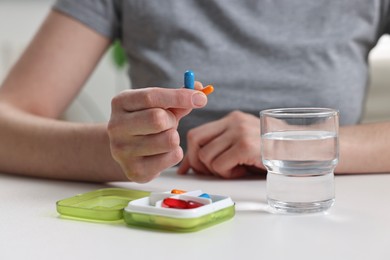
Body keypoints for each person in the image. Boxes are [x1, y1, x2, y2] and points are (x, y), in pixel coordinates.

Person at [1, 0, 390, 183]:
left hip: (318, 209)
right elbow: (6, 126)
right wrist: (117, 149)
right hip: (169, 213)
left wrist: (293, 144)